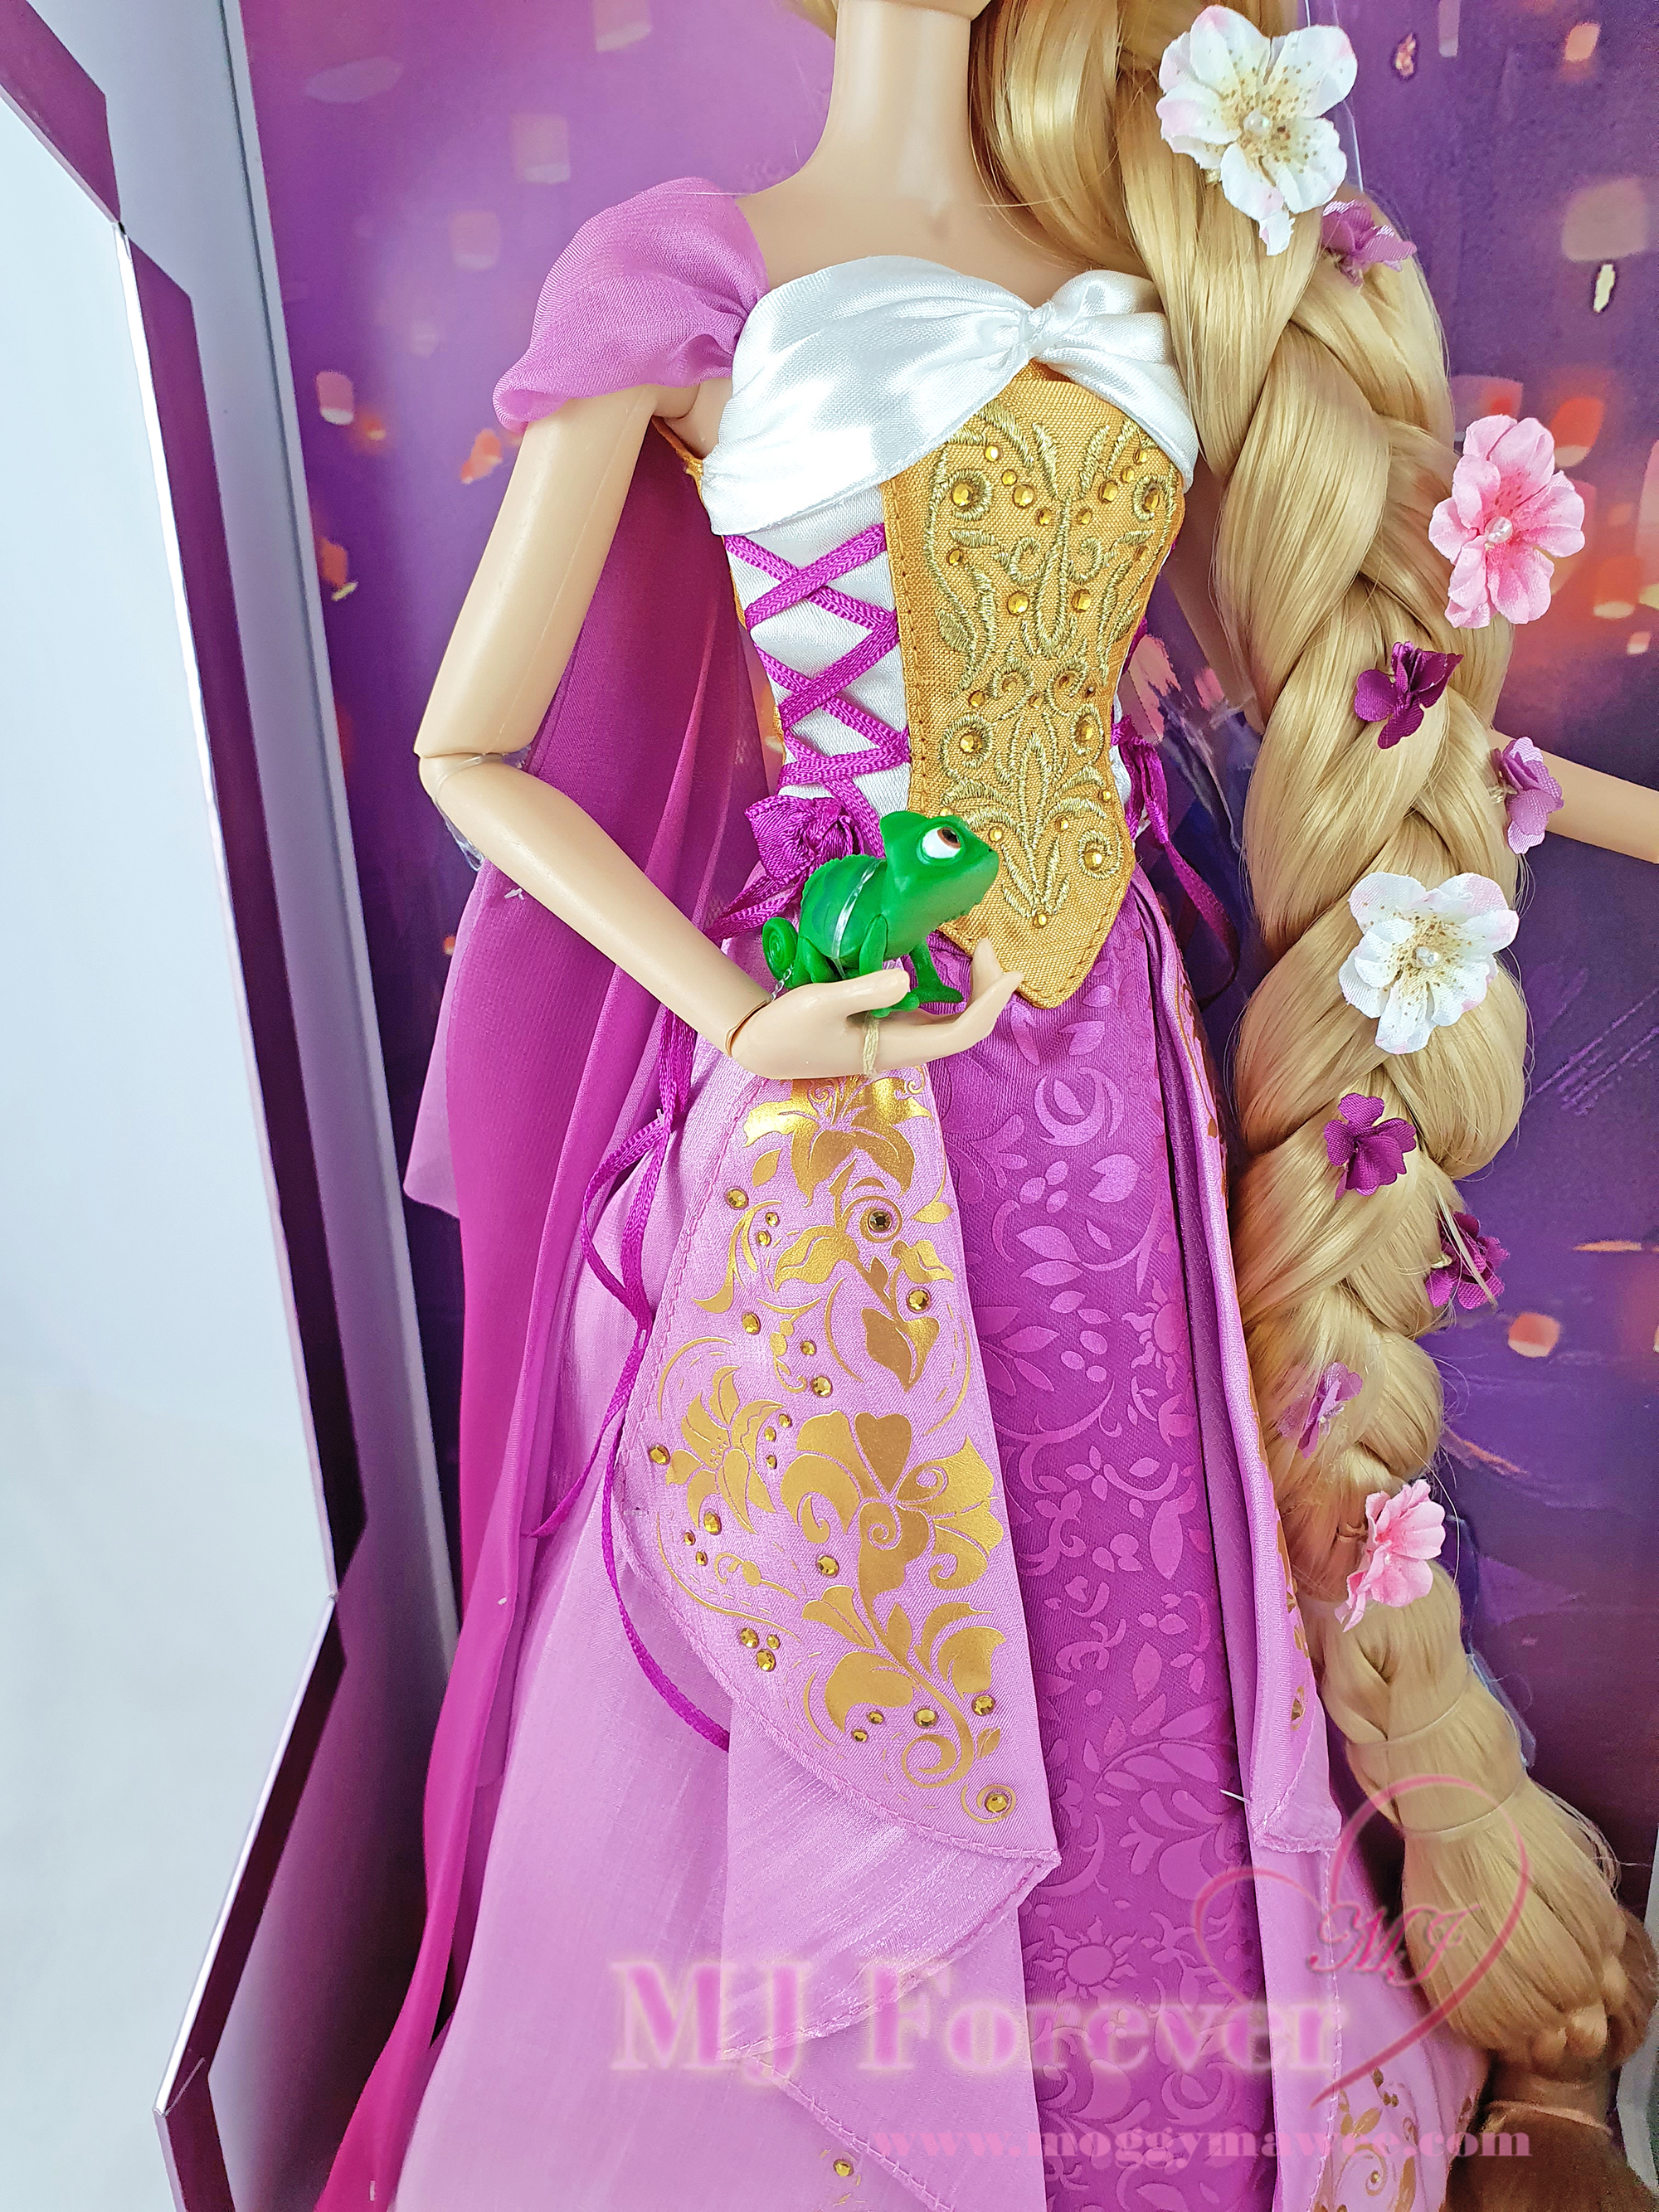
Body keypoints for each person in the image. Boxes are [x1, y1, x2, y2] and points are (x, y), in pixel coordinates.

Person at [319, 4, 1655, 2207]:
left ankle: (1168, 2137)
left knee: (1136, 1600)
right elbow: (476, 749)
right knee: (885, 1607)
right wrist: (742, 1016)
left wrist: (1604, 806)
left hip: (1114, 1080)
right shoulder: (686, 270)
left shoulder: (1132, 273)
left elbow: (1344, 694)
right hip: (856, 1098)